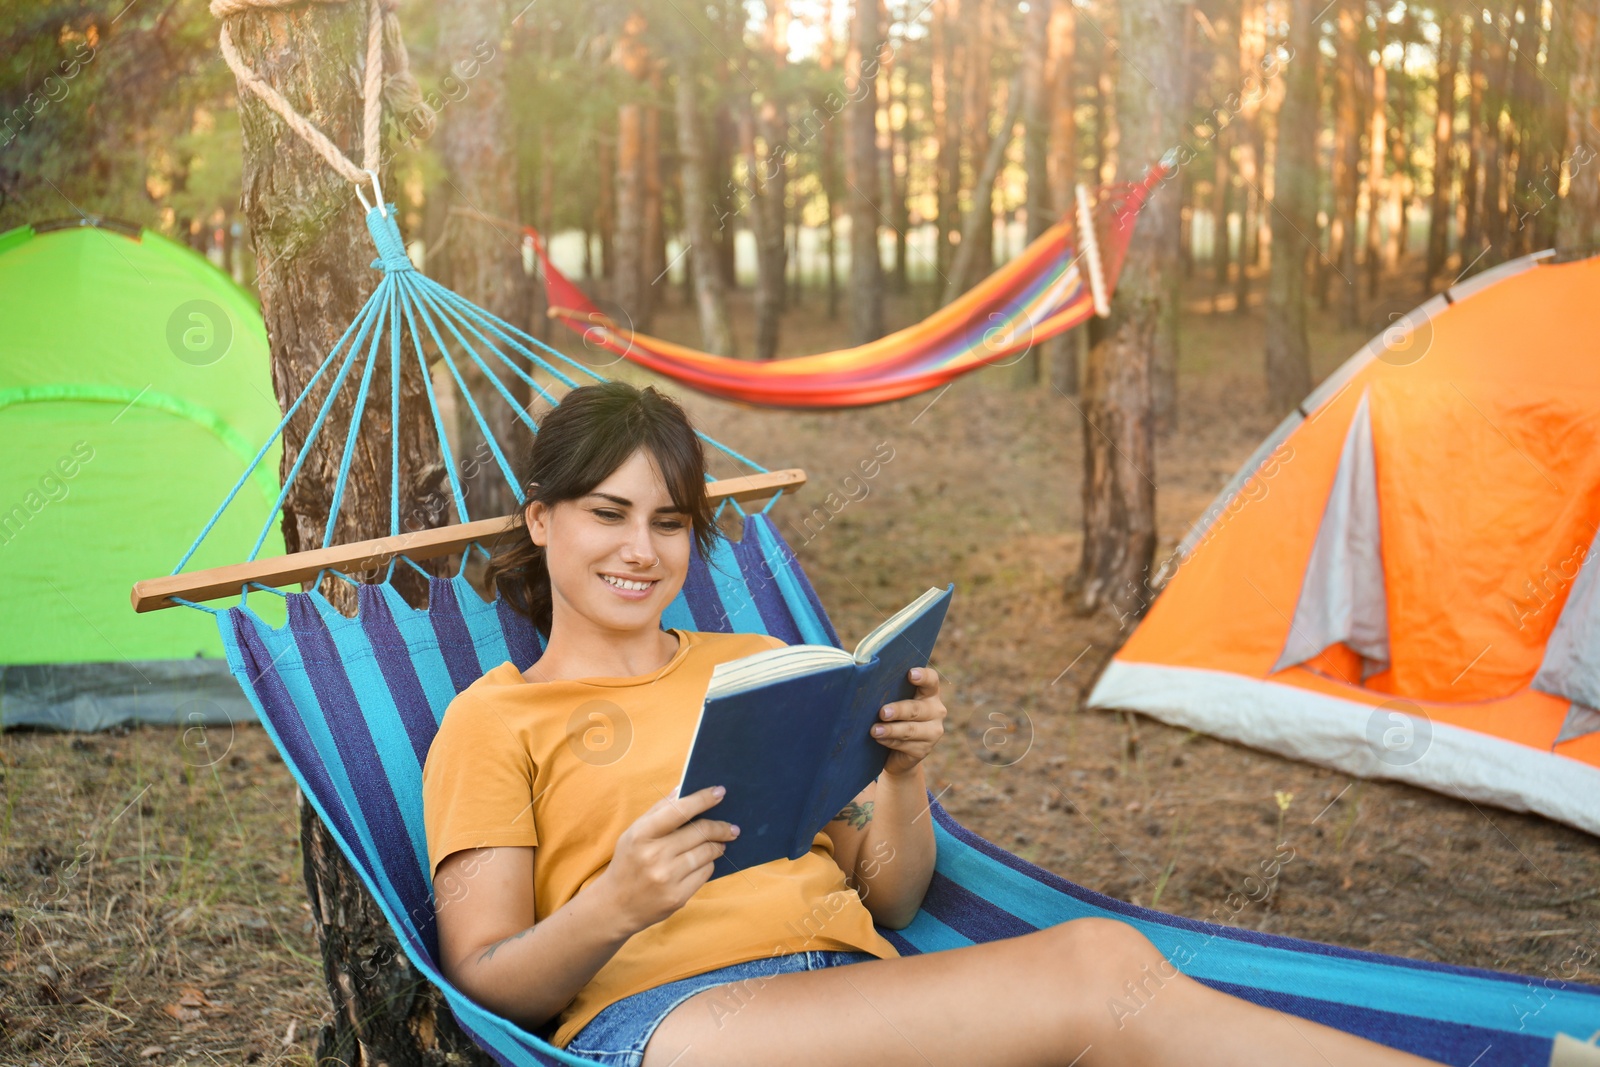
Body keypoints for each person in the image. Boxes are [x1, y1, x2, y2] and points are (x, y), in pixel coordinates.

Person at [423, 381, 1444, 1067]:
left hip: (858, 990)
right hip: (673, 1023)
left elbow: (891, 892)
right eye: (607, 512)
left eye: (669, 521)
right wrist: (615, 903)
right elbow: (488, 979)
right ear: (540, 518)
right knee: (1096, 968)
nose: (640, 549)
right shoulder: (496, 719)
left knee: (1109, 985)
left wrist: (903, 774)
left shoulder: (752, 666)